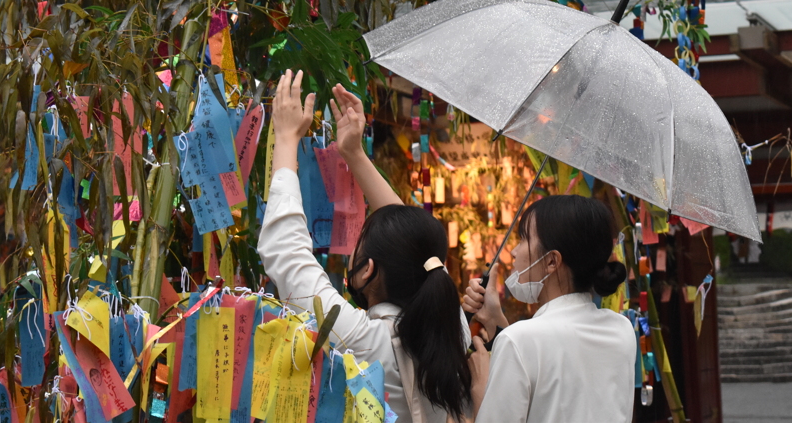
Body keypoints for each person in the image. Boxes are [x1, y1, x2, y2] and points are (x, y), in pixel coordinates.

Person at [258, 70, 471, 423]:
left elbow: (287, 251)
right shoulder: (452, 327)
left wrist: (285, 138)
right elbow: (412, 239)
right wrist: (354, 154)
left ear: (368, 270)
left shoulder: (366, 341)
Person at [462, 194, 635, 423]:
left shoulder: (519, 341)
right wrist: (495, 320)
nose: (514, 252)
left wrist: (481, 388)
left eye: (524, 239)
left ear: (552, 261)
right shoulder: (621, 330)